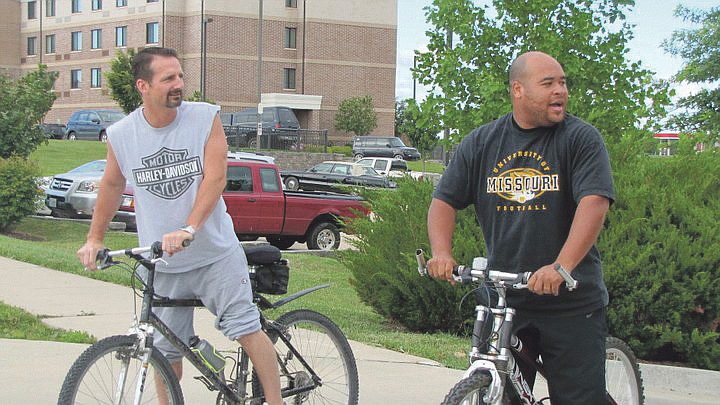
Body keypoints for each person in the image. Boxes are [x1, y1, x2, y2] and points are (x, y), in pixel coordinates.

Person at [77, 47, 284, 405]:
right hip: (163, 261)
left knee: (245, 330)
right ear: (143, 85)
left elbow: (215, 178)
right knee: (164, 353)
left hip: (215, 254)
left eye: (180, 76)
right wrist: (94, 238)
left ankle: (276, 402)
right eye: (168, 78)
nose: (179, 84)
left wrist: (190, 227)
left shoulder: (205, 117)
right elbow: (111, 185)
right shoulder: (123, 134)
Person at [427, 51, 615, 405]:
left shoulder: (581, 139)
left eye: (563, 82)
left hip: (570, 303)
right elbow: (443, 202)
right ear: (518, 90)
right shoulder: (482, 142)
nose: (560, 90)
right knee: (499, 393)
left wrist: (562, 267)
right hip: (504, 299)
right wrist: (441, 252)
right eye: (548, 84)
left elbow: (594, 202)